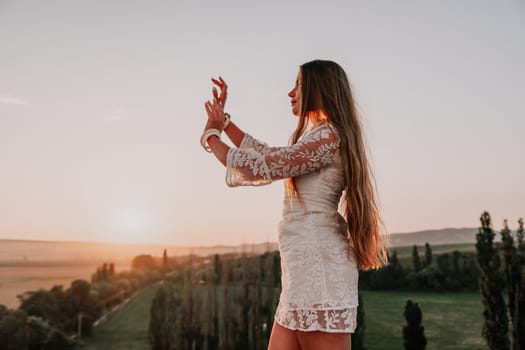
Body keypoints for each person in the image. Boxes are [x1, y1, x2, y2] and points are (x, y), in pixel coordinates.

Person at [201, 59, 388, 350]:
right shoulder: (319, 135)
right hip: (301, 270)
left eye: (298, 84)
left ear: (319, 88)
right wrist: (224, 123)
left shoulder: (329, 136)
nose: (291, 92)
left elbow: (262, 166)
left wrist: (210, 136)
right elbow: (268, 155)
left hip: (319, 271)